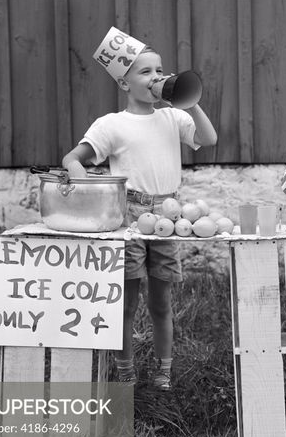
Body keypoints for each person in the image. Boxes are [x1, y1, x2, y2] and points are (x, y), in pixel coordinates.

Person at [62, 31, 217, 390]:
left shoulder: (172, 119)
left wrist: (188, 102)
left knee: (161, 303)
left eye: (160, 70)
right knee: (126, 303)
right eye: (145, 72)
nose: (156, 78)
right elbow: (73, 157)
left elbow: (208, 139)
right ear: (124, 82)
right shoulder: (111, 124)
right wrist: (80, 179)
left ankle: (163, 373)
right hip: (128, 217)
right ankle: (126, 372)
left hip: (168, 214)